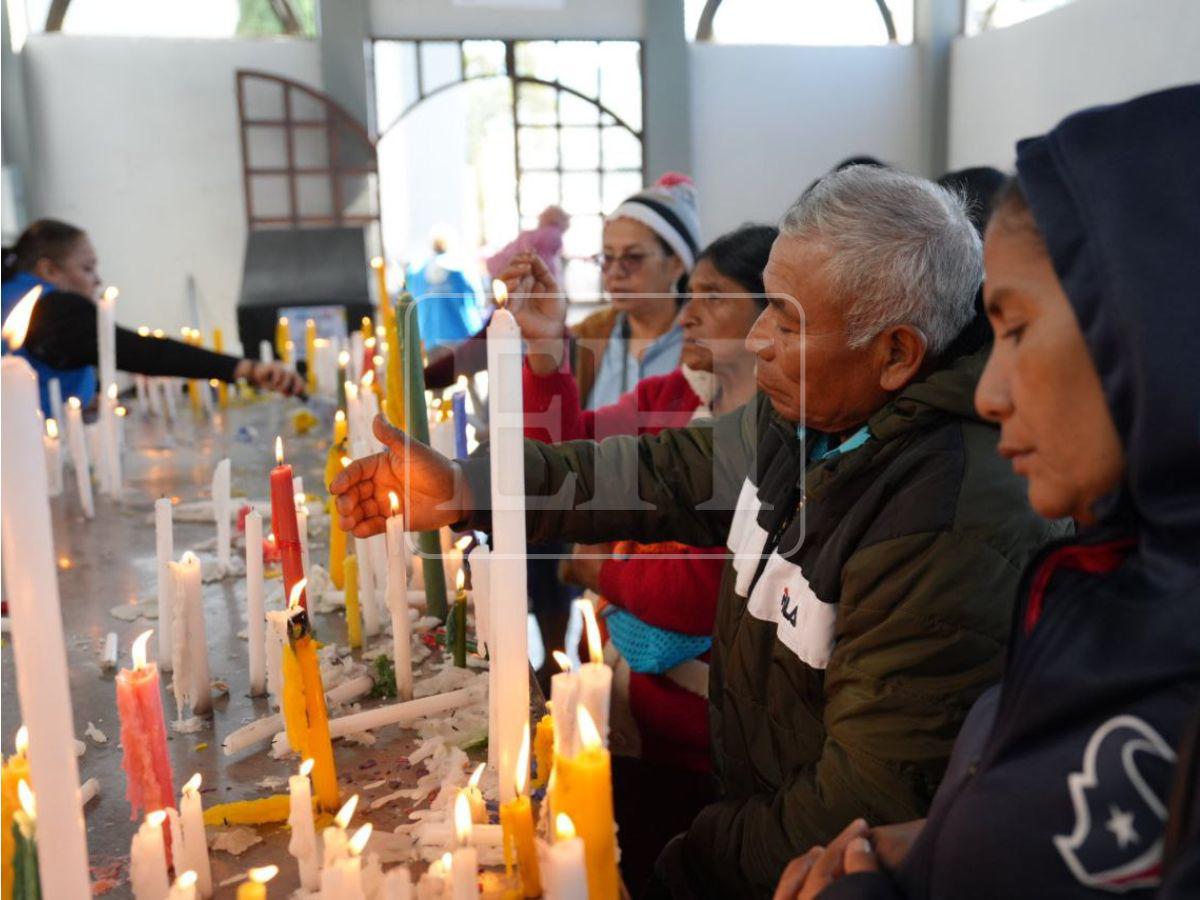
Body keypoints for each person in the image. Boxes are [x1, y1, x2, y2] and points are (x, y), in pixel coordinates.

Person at [332, 165, 1064, 897]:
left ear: (897, 353)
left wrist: (687, 866)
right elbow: (659, 470)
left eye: (784, 316)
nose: (757, 338)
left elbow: (861, 804)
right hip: (746, 807)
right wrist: (468, 488)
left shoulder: (947, 520)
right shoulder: (808, 414)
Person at [772, 85, 1200, 900]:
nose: (988, 392)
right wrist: (944, 842)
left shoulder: (964, 515)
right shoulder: (1115, 581)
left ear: (1155, 319)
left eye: (1015, 329)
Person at [501, 224, 776, 887]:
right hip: (633, 720)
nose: (688, 313)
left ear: (772, 314)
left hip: (720, 748)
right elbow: (567, 458)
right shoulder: (670, 398)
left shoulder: (787, 431)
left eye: (712, 296)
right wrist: (546, 354)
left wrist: (601, 568)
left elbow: (709, 591)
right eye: (690, 294)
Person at [422, 172, 702, 406]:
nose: (615, 271)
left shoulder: (706, 345)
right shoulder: (589, 336)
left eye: (633, 257)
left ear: (677, 263)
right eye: (607, 257)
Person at [2, 219, 303, 413]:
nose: (96, 281)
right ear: (49, 270)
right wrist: (244, 368)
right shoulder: (52, 310)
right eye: (87, 268)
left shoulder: (12, 296)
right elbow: (144, 353)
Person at [406, 225, 484, 350]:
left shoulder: (416, 272)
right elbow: (479, 300)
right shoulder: (462, 267)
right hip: (461, 336)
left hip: (429, 338)